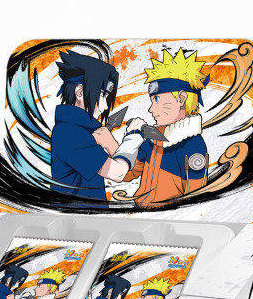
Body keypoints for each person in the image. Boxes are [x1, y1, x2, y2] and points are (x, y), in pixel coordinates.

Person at [120, 48, 210, 208]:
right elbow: (127, 173)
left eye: (157, 99)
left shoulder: (193, 146)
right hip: (140, 212)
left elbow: (194, 200)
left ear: (181, 98)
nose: (150, 109)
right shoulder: (150, 141)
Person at [51, 50, 143, 201]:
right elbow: (117, 173)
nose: (105, 106)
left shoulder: (81, 130)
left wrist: (111, 144)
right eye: (102, 95)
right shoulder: (69, 132)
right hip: (77, 213)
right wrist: (133, 137)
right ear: (80, 92)